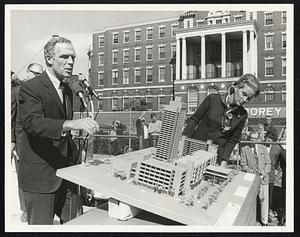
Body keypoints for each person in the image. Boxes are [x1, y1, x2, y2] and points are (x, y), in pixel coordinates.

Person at [18, 36, 99, 225]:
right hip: (41, 178)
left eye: (73, 57)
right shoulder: (30, 88)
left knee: (74, 225)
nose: (70, 62)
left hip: (67, 175)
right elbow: (33, 124)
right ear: (48, 58)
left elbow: (65, 136)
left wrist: (79, 156)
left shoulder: (68, 90)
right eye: (64, 57)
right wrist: (70, 124)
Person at [183, 74, 260, 167]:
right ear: (236, 88)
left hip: (215, 157)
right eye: (244, 94)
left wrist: (224, 161)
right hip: (195, 150)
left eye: (249, 98)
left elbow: (232, 140)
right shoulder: (213, 99)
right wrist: (184, 144)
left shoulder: (243, 114)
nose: (245, 99)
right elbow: (193, 121)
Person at [240, 132, 271, 226]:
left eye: (255, 139)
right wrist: (250, 171)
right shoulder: (245, 149)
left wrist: (263, 174)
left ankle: (264, 222)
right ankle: (252, 221)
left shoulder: (263, 148)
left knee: (264, 200)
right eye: (251, 138)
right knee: (251, 201)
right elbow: (243, 164)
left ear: (258, 139)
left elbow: (268, 163)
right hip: (252, 179)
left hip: (263, 178)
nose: (253, 140)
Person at [264, 127, 281, 223]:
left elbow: (278, 161)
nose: (268, 139)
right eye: (267, 137)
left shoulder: (277, 148)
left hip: (270, 176)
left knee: (269, 195)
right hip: (261, 175)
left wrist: (276, 170)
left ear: (273, 140)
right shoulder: (261, 146)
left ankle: (267, 214)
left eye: (270, 138)